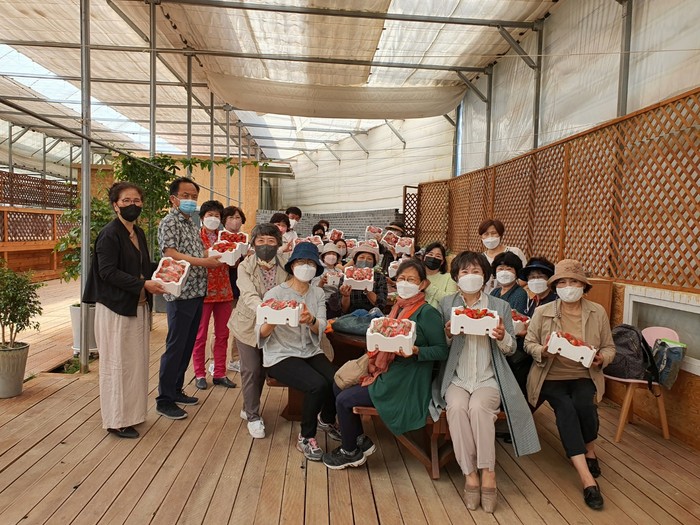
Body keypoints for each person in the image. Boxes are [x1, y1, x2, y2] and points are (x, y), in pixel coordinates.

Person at [432, 251, 539, 513]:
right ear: (456, 277)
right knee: (457, 409)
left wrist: (502, 336)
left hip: (488, 377)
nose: (470, 276)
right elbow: (439, 347)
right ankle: (470, 474)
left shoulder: (499, 306)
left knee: (479, 409)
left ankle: (488, 472)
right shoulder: (446, 304)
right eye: (464, 272)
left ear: (485, 276)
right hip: (456, 378)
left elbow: (511, 349)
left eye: (476, 271)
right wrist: (447, 334)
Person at [323, 259, 448, 469]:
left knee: (344, 400)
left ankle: (350, 452)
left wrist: (416, 351)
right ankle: (358, 438)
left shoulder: (427, 313)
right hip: (387, 370)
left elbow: (441, 350)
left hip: (405, 380)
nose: (405, 283)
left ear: (423, 284)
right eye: (401, 278)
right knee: (338, 384)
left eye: (411, 280)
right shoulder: (398, 307)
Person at [525, 259, 615, 510]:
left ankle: (590, 450)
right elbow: (529, 343)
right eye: (562, 282)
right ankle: (587, 479)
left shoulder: (597, 312)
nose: (568, 287)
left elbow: (609, 347)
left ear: (583, 285)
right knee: (565, 409)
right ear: (555, 286)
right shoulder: (543, 312)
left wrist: (602, 358)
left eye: (573, 282)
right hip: (550, 375)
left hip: (584, 374)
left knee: (585, 404)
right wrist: (543, 351)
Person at [83, 182, 166, 438]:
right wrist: (143, 284)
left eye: (137, 200)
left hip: (137, 307)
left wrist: (168, 267)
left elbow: (142, 266)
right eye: (126, 201)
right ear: (115, 205)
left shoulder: (137, 232)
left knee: (135, 365)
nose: (133, 205)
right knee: (117, 366)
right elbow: (107, 272)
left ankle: (133, 414)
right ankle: (116, 420)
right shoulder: (109, 234)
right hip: (116, 309)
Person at [258, 242, 340, 461]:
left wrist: (310, 320)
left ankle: (326, 419)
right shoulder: (275, 293)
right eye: (301, 262)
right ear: (292, 265)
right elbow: (261, 332)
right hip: (281, 353)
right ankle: (306, 436)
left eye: (311, 263)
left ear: (316, 268)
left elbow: (321, 325)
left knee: (337, 380)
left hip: (309, 350)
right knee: (317, 385)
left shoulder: (318, 293)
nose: (306, 267)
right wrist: (274, 319)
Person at [156, 177, 224, 420]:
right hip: (180, 292)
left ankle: (176, 390)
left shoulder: (190, 223)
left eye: (194, 197)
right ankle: (164, 399)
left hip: (196, 291)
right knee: (175, 346)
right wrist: (204, 262)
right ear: (173, 198)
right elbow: (171, 253)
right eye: (185, 196)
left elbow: (196, 252)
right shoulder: (170, 222)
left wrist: (218, 252)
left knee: (186, 345)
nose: (191, 200)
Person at [229, 223, 289, 439]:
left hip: (275, 325)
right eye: (261, 241)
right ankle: (253, 417)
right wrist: (266, 309)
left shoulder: (286, 264)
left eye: (271, 241)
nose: (265, 245)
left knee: (263, 368)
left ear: (278, 244)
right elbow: (248, 294)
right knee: (251, 369)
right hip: (247, 324)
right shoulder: (245, 266)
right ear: (253, 243)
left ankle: (248, 406)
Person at [192, 200, 237, 390]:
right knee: (200, 335)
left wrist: (235, 254)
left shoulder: (226, 237)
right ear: (202, 217)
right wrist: (208, 254)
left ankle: (219, 373)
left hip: (224, 290)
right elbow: (190, 257)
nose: (213, 218)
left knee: (223, 334)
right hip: (202, 290)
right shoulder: (194, 236)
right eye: (209, 215)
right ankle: (199, 373)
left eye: (217, 215)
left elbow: (234, 262)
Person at [221, 205, 247, 373]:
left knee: (240, 324)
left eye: (238, 218)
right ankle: (215, 361)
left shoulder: (244, 239)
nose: (235, 221)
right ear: (224, 220)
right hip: (223, 285)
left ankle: (236, 358)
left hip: (241, 287)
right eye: (231, 217)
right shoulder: (220, 239)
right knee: (221, 326)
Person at [478, 219, 527, 293]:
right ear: (481, 237)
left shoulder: (514, 252)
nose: (490, 237)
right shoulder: (480, 258)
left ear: (500, 235)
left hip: (510, 296)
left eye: (494, 233)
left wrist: (508, 289)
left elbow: (525, 276)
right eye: (486, 234)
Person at [337, 244, 388, 314]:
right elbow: (344, 309)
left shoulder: (379, 277)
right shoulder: (347, 277)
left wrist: (368, 291)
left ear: (373, 263)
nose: (365, 260)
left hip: (373, 315)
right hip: (351, 316)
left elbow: (381, 304)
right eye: (361, 257)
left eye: (369, 259)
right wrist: (346, 296)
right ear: (355, 260)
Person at [422, 241, 458, 309]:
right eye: (430, 254)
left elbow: (450, 300)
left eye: (438, 256)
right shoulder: (418, 275)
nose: (433, 257)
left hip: (438, 314)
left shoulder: (449, 278)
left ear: (442, 261)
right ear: (424, 257)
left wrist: (429, 287)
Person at [314, 242, 343, 319]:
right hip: (324, 301)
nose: (332, 256)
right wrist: (322, 282)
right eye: (329, 254)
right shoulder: (319, 270)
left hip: (337, 301)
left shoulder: (339, 271)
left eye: (334, 254)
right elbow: (314, 290)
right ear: (323, 257)